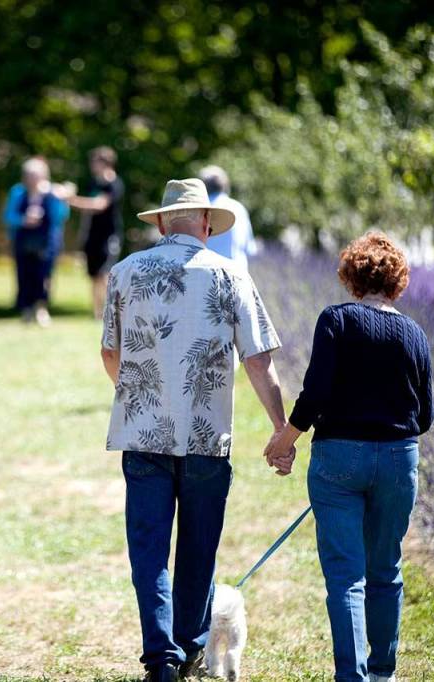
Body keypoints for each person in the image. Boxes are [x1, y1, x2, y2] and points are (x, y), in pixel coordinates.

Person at [100, 178, 292, 682]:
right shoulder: (231, 276)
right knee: (198, 548)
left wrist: (140, 392)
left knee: (148, 548)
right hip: (207, 435)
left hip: (142, 433)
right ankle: (186, 646)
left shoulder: (123, 273)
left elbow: (109, 352)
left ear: (163, 223)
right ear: (206, 224)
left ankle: (160, 656)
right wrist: (281, 428)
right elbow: (258, 360)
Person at [265, 231, 434, 682]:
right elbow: (426, 416)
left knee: (346, 577)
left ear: (352, 277)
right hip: (399, 460)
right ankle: (383, 672)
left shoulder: (336, 320)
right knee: (386, 569)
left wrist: (286, 439)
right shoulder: (416, 335)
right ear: (397, 281)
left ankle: (353, 677)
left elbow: (316, 392)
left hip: (338, 459)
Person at [3, 157, 69, 326]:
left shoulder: (53, 193)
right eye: (29, 175)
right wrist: (24, 220)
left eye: (35, 175)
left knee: (44, 276)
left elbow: (62, 216)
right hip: (23, 241)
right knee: (24, 275)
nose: (32, 179)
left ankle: (41, 309)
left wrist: (60, 198)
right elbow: (8, 216)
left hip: (47, 242)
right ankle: (26, 310)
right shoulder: (17, 192)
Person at [67, 146, 125, 319]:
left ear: (106, 163)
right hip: (92, 235)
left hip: (108, 236)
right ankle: (97, 313)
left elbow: (99, 204)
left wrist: (70, 199)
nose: (92, 166)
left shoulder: (114, 184)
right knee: (93, 275)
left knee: (105, 274)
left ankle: (110, 312)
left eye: (95, 162)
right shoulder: (94, 183)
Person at [198, 165, 257, 270]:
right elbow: (250, 249)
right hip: (239, 274)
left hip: (208, 274)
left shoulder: (200, 210)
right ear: (225, 185)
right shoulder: (238, 208)